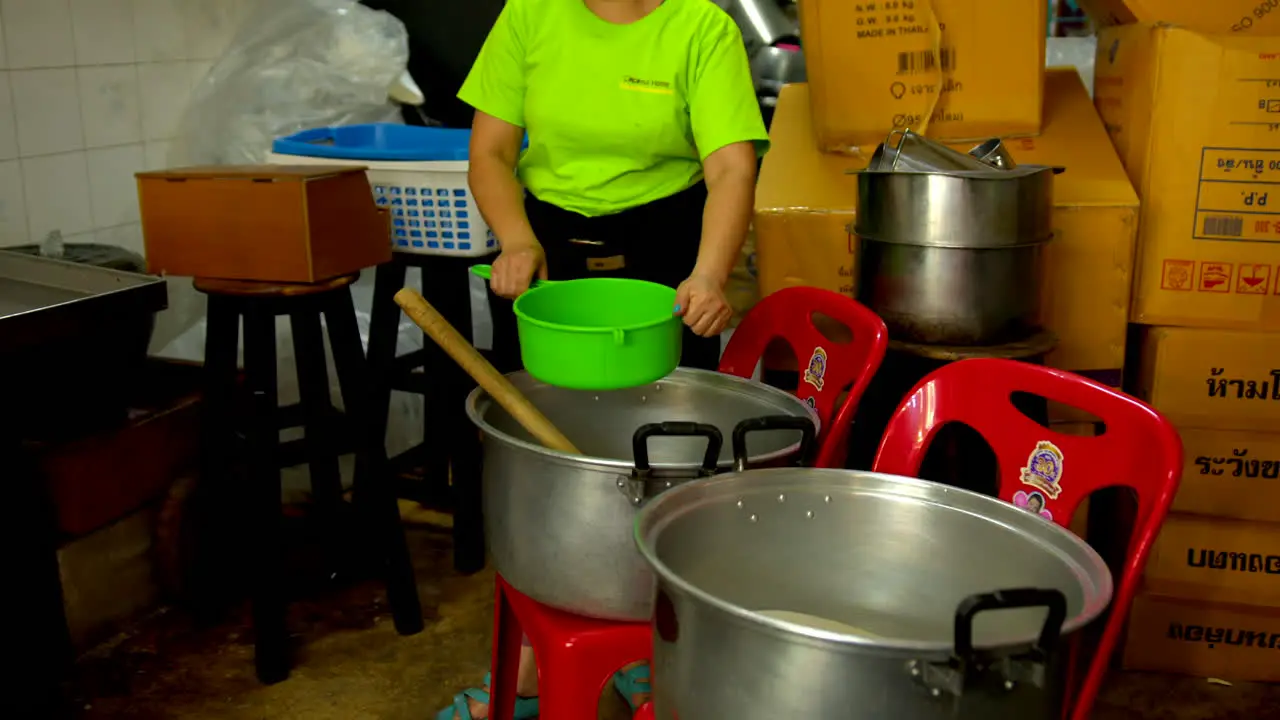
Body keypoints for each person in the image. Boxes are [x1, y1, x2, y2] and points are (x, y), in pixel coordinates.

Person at [438, 0, 767, 716]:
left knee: (669, 463)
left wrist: (709, 276)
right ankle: (531, 668)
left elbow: (732, 166)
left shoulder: (699, 25)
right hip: (550, 259)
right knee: (543, 456)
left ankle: (658, 647)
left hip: (668, 257)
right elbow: (490, 153)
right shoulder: (530, 16)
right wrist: (516, 239)